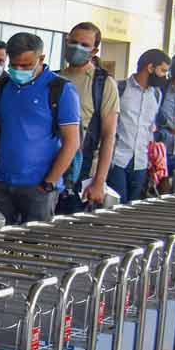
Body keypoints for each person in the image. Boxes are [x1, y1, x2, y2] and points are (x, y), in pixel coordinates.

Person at [0, 32, 81, 223]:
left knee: (34, 247)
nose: (19, 70)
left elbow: (72, 142)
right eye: (14, 65)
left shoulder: (60, 89)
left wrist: (49, 182)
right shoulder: (4, 86)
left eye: (26, 65)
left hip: (38, 188)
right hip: (0, 183)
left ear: (41, 59)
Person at [56, 22, 119, 212]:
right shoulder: (54, 78)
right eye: (73, 42)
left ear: (94, 51)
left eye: (84, 45)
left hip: (81, 171)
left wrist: (99, 181)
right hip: (50, 166)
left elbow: (108, 136)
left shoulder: (103, 83)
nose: (77, 47)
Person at [108, 49, 170, 203]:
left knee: (135, 207)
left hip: (141, 161)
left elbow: (150, 127)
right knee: (117, 207)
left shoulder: (156, 94)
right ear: (150, 68)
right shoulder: (119, 88)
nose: (165, 76)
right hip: (117, 159)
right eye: (162, 70)